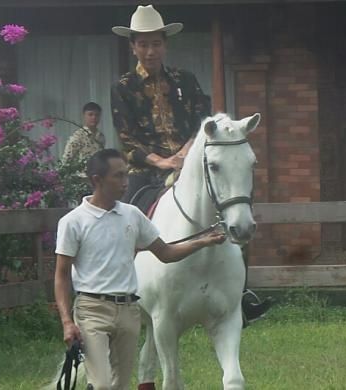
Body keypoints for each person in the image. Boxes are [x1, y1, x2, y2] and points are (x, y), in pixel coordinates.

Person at [110, 4, 271, 325]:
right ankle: (121, 291)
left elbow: (203, 122)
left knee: (233, 215)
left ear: (164, 45)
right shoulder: (123, 88)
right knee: (125, 221)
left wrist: (184, 156)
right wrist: (163, 161)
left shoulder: (185, 80)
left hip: (190, 166)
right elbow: (128, 140)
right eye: (143, 44)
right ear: (133, 46)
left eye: (155, 43)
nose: (150, 50)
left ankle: (239, 295)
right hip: (146, 172)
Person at [54, 149, 225, 390]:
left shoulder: (132, 215)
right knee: (102, 384)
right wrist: (66, 321)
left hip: (128, 310)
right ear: (97, 180)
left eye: (126, 175)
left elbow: (165, 253)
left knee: (120, 384)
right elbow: (61, 275)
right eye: (118, 176)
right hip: (92, 309)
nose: (126, 183)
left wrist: (203, 241)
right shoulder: (73, 222)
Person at [62, 102, 106, 166]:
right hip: (82, 174)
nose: (94, 117)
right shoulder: (78, 136)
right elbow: (66, 159)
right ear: (84, 115)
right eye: (90, 115)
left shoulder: (101, 136)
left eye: (97, 115)